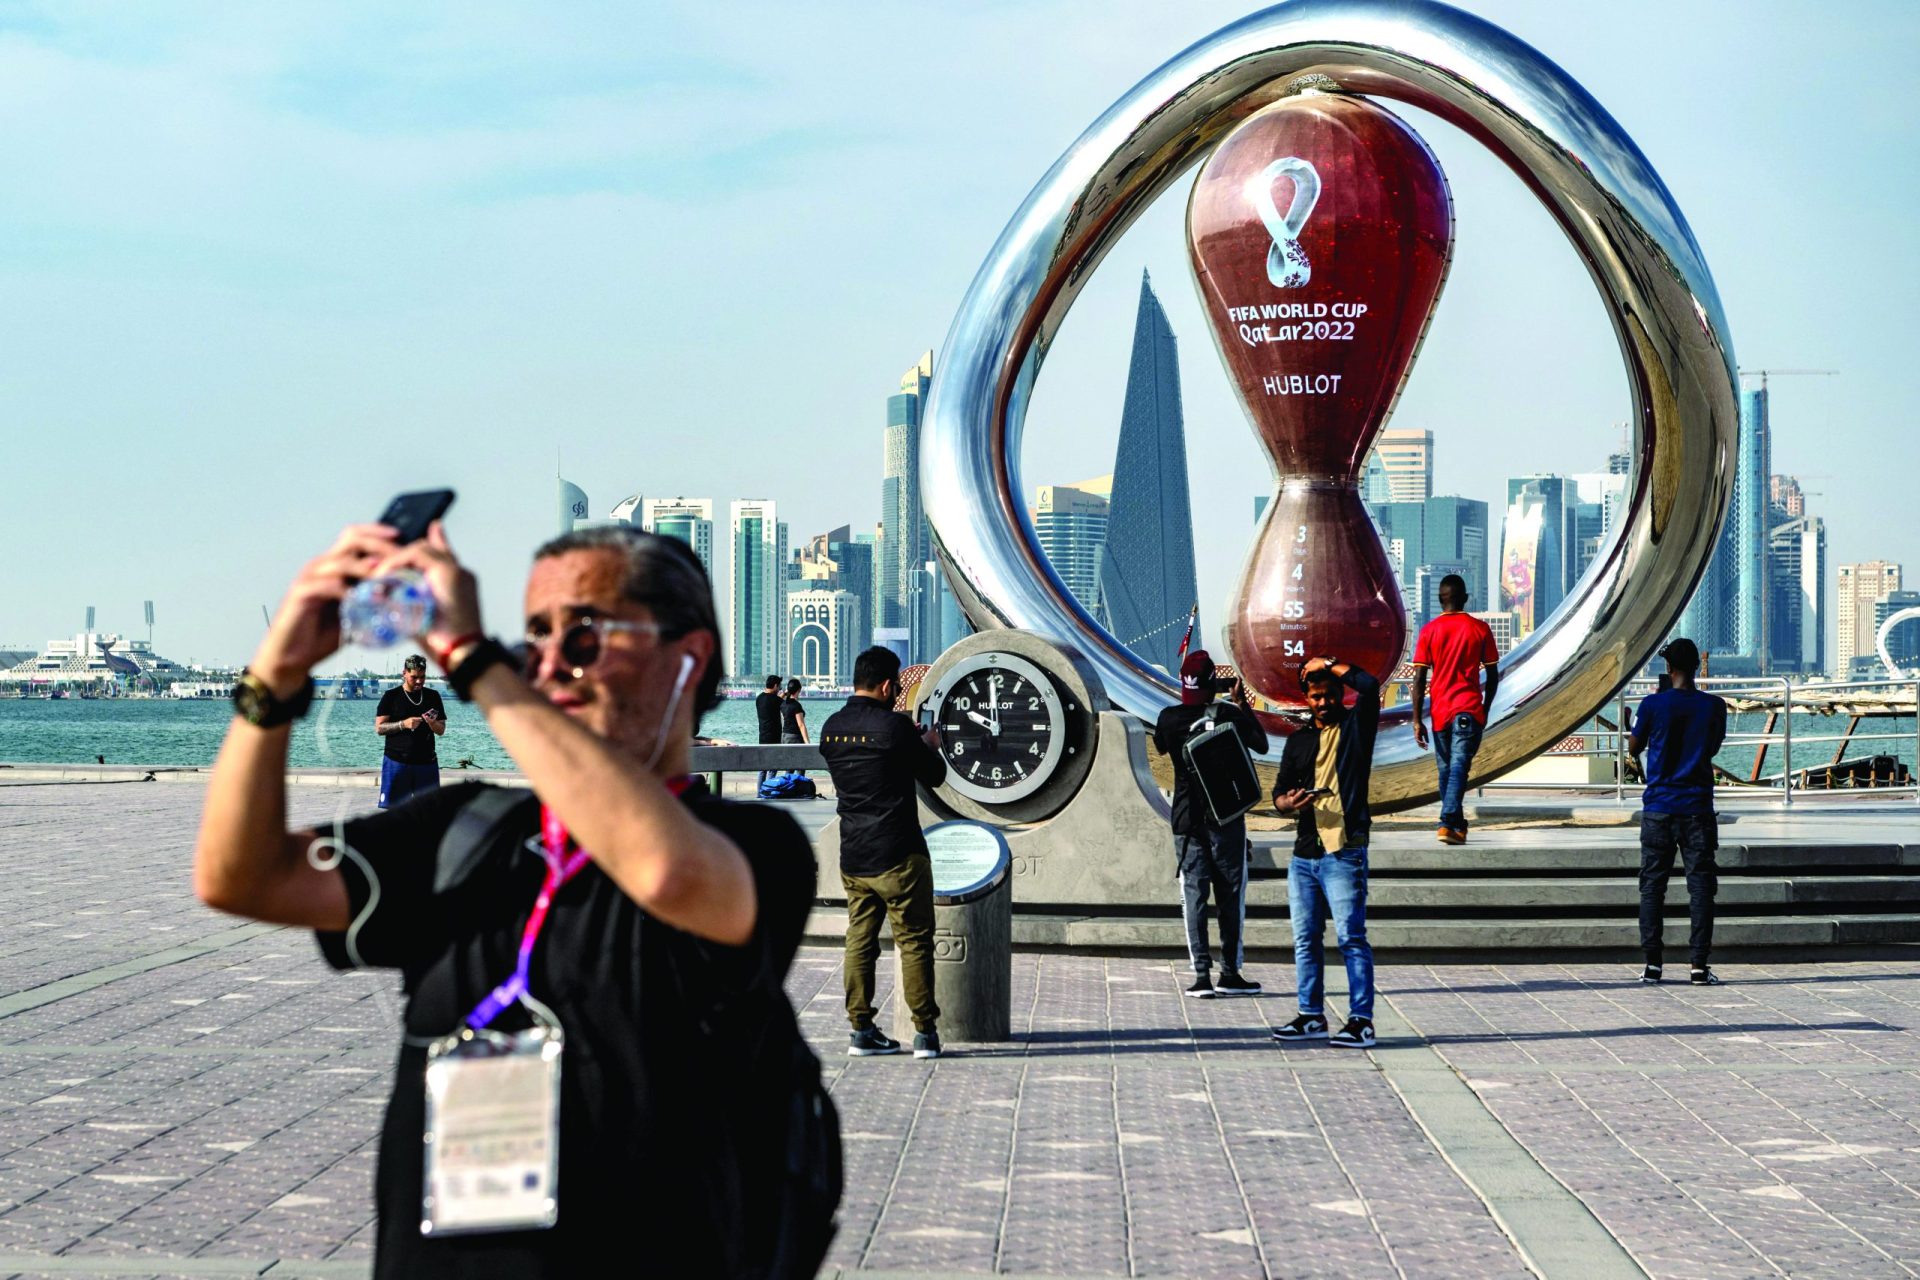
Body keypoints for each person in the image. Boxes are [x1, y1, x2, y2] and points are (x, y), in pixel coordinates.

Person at [194, 521, 830, 1278]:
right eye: (533, 637)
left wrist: (471, 659)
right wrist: (276, 677)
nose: (550, 662)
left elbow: (666, 876)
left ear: (687, 656)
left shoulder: (752, 844)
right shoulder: (466, 831)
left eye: (584, 633)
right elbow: (242, 875)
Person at [818, 646, 946, 1059]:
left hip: (854, 854)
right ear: (889, 686)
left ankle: (861, 1028)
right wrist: (929, 743)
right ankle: (924, 1033)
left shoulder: (832, 728)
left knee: (860, 939)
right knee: (913, 941)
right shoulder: (895, 728)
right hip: (900, 852)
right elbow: (935, 775)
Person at [1270, 656, 1381, 1049]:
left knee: (1351, 937)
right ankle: (1311, 1015)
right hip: (1304, 855)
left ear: (1339, 696)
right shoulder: (1298, 741)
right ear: (1307, 699)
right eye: (1316, 697)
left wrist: (1330, 663)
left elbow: (1369, 685)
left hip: (1344, 851)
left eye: (1330, 695)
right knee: (1305, 938)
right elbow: (1278, 793)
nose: (1323, 703)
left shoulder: (1355, 727)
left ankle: (1361, 1021)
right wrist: (1289, 802)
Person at [1152, 650, 1269, 998]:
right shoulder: (1229, 714)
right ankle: (1230, 974)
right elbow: (1261, 745)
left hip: (1187, 820)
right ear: (1212, 684)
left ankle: (1201, 976)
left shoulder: (1169, 718)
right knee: (1231, 897)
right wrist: (1241, 703)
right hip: (1227, 818)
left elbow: (1159, 746)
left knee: (1194, 896)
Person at [1628, 637, 1728, 986]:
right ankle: (1699, 966)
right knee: (1701, 888)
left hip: (1658, 807)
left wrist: (1634, 725)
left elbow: (1635, 745)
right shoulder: (1714, 706)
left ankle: (1653, 965)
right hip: (1698, 808)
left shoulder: (1652, 704)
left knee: (1652, 888)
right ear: (1697, 668)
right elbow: (1712, 748)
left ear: (1668, 669)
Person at [1410, 574, 1500, 845]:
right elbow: (1493, 674)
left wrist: (1416, 720)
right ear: (1465, 598)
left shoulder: (1428, 631)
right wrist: (1485, 708)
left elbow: (1418, 680)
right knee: (1458, 768)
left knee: (1448, 771)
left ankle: (1455, 827)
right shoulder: (1480, 629)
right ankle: (1449, 821)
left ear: (1440, 601)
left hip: (1439, 713)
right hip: (1468, 708)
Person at [374, 654, 445, 808]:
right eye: (414, 677)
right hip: (397, 762)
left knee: (430, 811)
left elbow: (441, 730)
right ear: (404, 673)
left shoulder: (433, 696)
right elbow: (379, 728)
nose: (419, 681)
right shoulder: (391, 696)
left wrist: (432, 724)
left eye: (422, 676)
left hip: (427, 763)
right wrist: (403, 724)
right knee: (394, 812)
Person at [756, 674, 784, 784]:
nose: (779, 690)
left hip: (762, 737)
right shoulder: (776, 700)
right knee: (772, 768)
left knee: (762, 769)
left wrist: (779, 697)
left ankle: (759, 794)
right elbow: (783, 705)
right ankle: (769, 791)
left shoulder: (759, 698)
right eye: (779, 687)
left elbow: (772, 702)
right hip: (774, 738)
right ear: (775, 686)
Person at [781, 676, 810, 775]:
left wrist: (785, 693)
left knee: (789, 765)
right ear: (798, 690)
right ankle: (798, 787)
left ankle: (787, 787)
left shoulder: (784, 704)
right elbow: (801, 725)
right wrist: (807, 743)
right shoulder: (796, 706)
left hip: (784, 736)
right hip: (794, 736)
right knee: (801, 765)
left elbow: (779, 698)